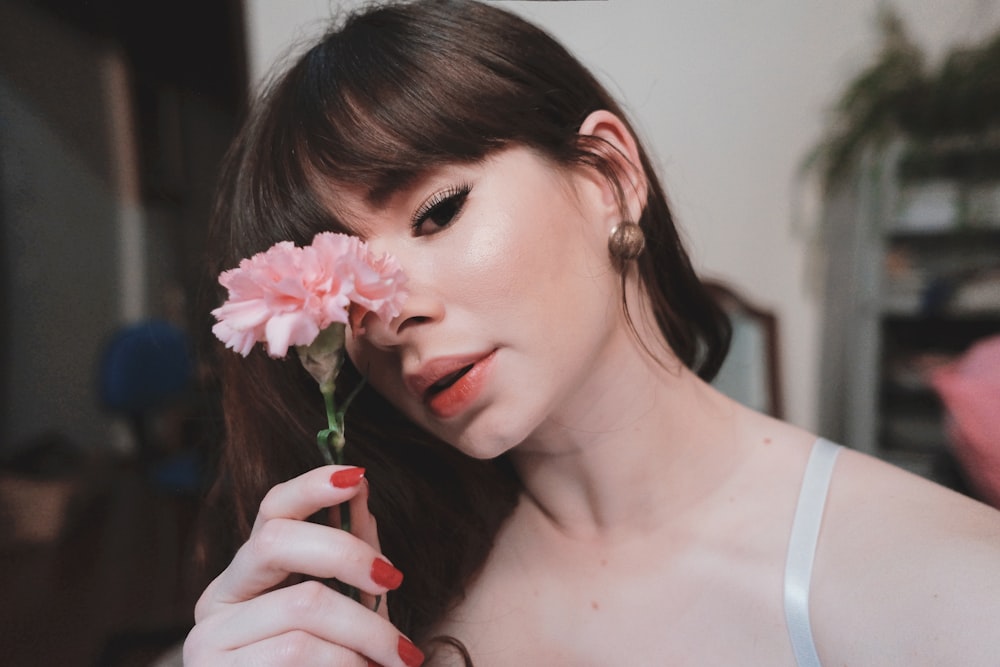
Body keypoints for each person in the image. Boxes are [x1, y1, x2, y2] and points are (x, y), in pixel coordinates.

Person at [184, 1, 1000, 665]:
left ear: (609, 175)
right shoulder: (385, 578)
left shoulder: (945, 591)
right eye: (351, 296)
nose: (391, 313)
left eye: (438, 211)